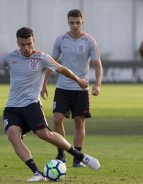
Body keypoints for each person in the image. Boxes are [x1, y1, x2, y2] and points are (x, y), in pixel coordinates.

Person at [0, 27, 100, 182]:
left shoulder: (41, 58)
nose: (26, 48)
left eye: (29, 44)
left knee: (45, 135)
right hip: (12, 108)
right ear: (17, 42)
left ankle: (80, 156)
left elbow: (62, 69)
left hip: (31, 105)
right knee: (13, 135)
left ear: (34, 41)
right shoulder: (9, 57)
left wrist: (78, 80)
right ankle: (37, 173)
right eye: (23, 44)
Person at [41, 9, 102, 167]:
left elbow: (97, 63)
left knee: (79, 123)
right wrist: (44, 83)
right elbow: (52, 62)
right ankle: (61, 154)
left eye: (78, 22)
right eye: (72, 22)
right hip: (62, 88)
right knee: (57, 119)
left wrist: (97, 84)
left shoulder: (89, 41)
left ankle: (78, 157)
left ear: (82, 21)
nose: (75, 25)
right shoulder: (61, 40)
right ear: (68, 23)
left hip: (81, 89)